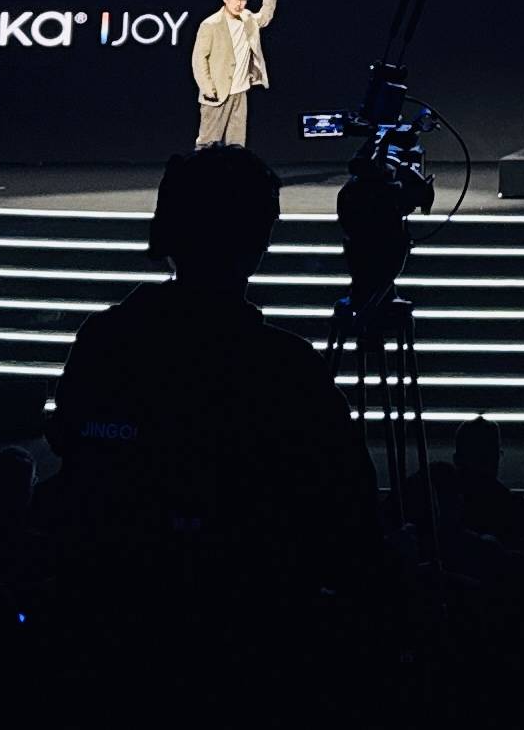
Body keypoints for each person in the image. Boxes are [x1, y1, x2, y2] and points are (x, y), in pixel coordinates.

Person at [44, 141, 375, 620]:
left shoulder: (105, 341)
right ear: (258, 241)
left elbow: (70, 448)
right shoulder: (287, 370)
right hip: (251, 618)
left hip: (109, 614)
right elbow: (348, 510)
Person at [186, 0, 281, 150]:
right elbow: (199, 59)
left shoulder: (247, 18)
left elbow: (265, 17)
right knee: (208, 145)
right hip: (217, 93)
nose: (239, 3)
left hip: (240, 91)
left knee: (236, 145)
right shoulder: (210, 24)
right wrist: (208, 89)